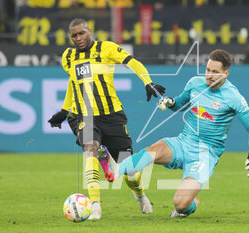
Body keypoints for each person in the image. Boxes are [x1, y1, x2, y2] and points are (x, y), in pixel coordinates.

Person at [107, 49, 249, 217]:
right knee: (153, 150)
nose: (209, 75)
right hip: (183, 142)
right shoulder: (195, 83)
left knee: (180, 205)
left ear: (226, 73)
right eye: (208, 70)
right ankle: (115, 170)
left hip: (205, 153)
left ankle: (191, 204)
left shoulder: (234, 97)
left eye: (215, 72)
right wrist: (170, 102)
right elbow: (180, 104)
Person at [47, 18, 166, 220]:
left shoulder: (107, 49)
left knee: (129, 171)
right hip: (83, 114)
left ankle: (140, 195)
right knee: (90, 148)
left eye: (81, 33)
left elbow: (133, 63)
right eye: (74, 35)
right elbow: (74, 82)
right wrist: (65, 110)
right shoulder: (68, 56)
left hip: (112, 115)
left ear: (89, 31)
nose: (78, 38)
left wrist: (148, 82)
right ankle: (95, 206)